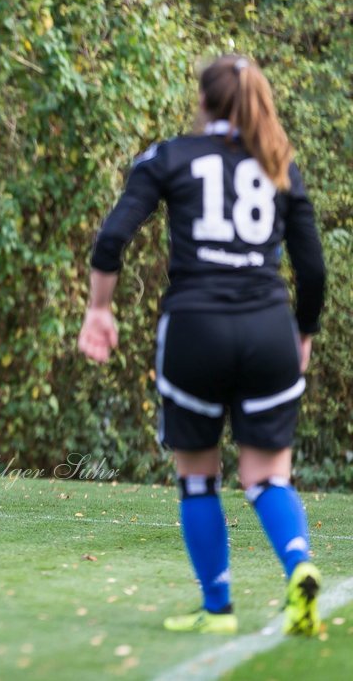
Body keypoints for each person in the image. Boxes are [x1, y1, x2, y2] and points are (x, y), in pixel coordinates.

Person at [77, 55, 326, 636]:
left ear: (204, 101)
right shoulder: (280, 165)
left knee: (198, 477)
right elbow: (312, 271)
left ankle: (218, 609)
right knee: (268, 477)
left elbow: (111, 239)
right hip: (268, 330)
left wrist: (99, 309)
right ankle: (299, 565)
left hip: (194, 328)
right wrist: (304, 333)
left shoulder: (169, 156)